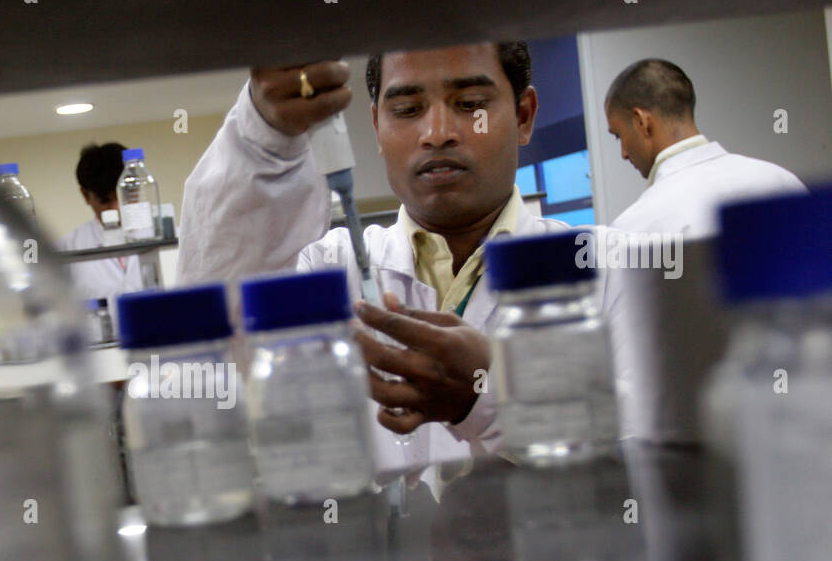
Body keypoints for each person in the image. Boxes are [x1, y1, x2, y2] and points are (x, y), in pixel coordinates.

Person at [179, 43, 630, 471]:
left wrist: (490, 397)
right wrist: (264, 138)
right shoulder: (329, 270)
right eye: (408, 110)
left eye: (470, 103)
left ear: (524, 115)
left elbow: (650, 450)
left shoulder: (606, 266)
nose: (437, 134)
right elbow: (220, 331)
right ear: (376, 126)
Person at [605, 58, 806, 237]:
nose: (623, 153)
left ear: (641, 122)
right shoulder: (783, 182)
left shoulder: (636, 229)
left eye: (618, 136)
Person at [56, 142, 145, 301]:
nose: (118, 209)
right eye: (107, 201)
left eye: (127, 196)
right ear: (86, 195)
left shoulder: (172, 237)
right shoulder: (67, 248)